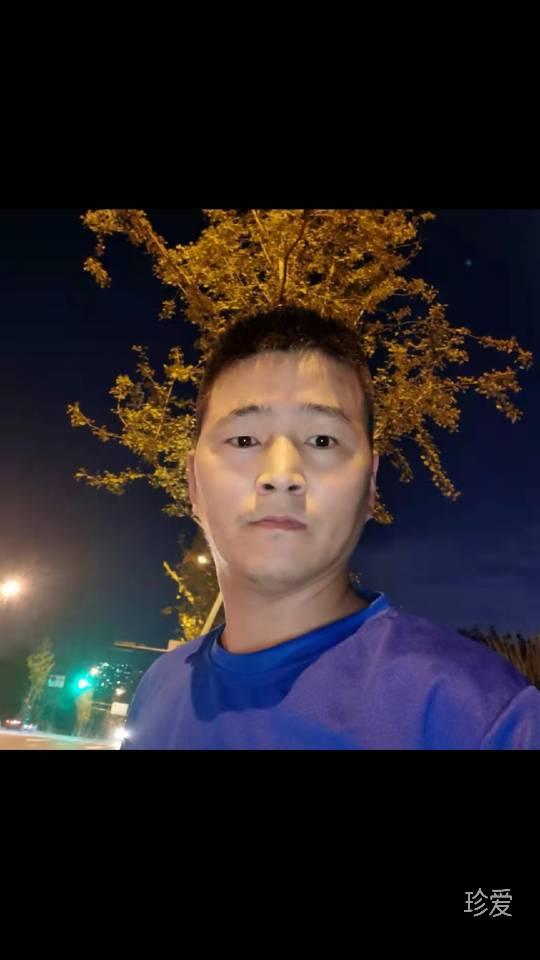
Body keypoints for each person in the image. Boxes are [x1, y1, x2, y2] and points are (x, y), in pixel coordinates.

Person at [122, 307, 540, 749]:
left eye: (322, 440)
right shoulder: (158, 692)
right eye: (244, 440)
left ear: (371, 485)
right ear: (192, 482)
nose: (281, 474)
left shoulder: (481, 717)